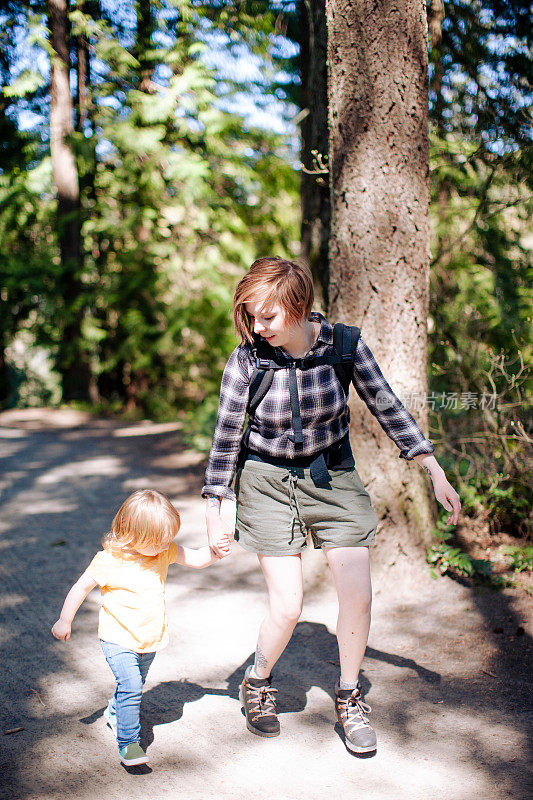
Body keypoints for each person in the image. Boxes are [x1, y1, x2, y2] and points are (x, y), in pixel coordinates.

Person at [203, 256, 460, 754]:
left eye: (268, 317)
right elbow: (226, 437)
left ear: (298, 307)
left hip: (333, 475)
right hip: (268, 481)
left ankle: (348, 696)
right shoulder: (248, 360)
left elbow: (387, 403)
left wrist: (432, 468)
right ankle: (257, 680)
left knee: (358, 593)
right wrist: (217, 506)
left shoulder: (344, 346)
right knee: (289, 607)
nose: (258, 327)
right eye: (251, 316)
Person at [51, 489, 230, 767]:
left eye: (166, 539)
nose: (163, 546)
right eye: (156, 541)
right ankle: (128, 743)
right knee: (132, 686)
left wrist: (216, 552)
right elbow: (81, 587)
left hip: (150, 639)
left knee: (134, 685)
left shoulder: (164, 551)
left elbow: (196, 558)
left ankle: (115, 711)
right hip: (117, 638)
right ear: (130, 534)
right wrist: (65, 619)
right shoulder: (109, 560)